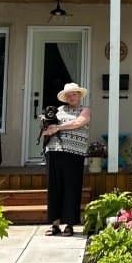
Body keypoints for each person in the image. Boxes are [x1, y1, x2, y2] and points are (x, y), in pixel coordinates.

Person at [42, 82, 91, 237]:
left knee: (72, 187)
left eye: (73, 94)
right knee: (54, 187)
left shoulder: (85, 109)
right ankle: (55, 224)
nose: (71, 97)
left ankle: (69, 225)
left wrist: (58, 127)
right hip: (54, 151)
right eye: (68, 95)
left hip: (75, 154)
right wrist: (47, 128)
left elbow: (79, 122)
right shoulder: (56, 111)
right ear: (65, 97)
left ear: (79, 95)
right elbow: (45, 131)